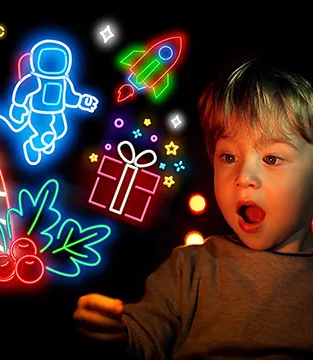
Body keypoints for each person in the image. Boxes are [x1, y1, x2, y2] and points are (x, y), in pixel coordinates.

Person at [73, 57, 313, 359]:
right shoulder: (189, 269)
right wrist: (117, 334)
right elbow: (146, 335)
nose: (243, 178)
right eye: (228, 157)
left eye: (271, 159)